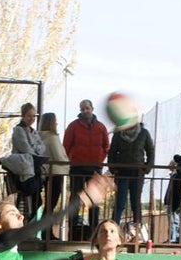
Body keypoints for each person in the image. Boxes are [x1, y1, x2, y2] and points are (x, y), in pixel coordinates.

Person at [63, 99, 110, 240]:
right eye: (82, 109)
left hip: (95, 167)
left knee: (94, 201)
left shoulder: (101, 127)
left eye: (87, 108)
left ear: (92, 108)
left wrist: (99, 159)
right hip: (77, 166)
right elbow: (66, 145)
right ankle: (72, 232)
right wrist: (72, 159)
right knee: (75, 199)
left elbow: (106, 146)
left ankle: (94, 233)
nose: (85, 111)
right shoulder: (73, 126)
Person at [107, 118, 154, 240]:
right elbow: (112, 152)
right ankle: (112, 232)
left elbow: (150, 151)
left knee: (135, 202)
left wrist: (146, 168)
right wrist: (113, 168)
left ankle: (138, 234)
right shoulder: (118, 134)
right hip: (121, 172)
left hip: (138, 173)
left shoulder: (144, 133)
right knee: (119, 203)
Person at [3, 102, 46, 221]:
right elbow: (25, 148)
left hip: (34, 168)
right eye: (29, 116)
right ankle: (22, 226)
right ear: (23, 116)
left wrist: (35, 149)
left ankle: (29, 226)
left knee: (35, 200)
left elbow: (42, 148)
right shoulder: (19, 130)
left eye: (33, 116)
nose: (31, 119)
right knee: (25, 201)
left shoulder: (33, 131)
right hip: (23, 169)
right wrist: (35, 149)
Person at [39, 112, 69, 240]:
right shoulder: (52, 137)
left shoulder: (40, 137)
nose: (57, 123)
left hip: (47, 173)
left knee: (48, 204)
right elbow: (59, 156)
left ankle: (46, 231)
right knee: (51, 204)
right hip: (56, 173)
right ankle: (47, 232)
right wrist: (68, 163)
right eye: (55, 121)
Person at [164, 154, 181, 243]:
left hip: (173, 201)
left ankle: (174, 237)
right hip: (171, 200)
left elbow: (172, 190)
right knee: (174, 219)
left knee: (174, 220)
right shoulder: (174, 175)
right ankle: (174, 236)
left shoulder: (176, 176)